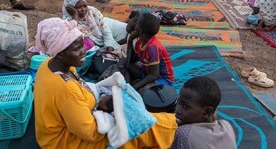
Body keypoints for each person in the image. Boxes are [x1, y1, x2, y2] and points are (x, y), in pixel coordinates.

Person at [34, 18, 177, 149]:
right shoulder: (65, 90)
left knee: (148, 120)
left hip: (54, 133)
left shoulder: (48, 65)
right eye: (77, 49)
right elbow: (90, 132)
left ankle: (174, 125)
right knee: (143, 130)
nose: (84, 51)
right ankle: (177, 131)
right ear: (60, 53)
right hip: (65, 143)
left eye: (82, 45)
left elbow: (78, 93)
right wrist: (115, 116)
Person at [171, 76, 237, 149]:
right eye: (178, 102)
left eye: (185, 106)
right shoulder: (226, 126)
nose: (177, 110)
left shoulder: (184, 133)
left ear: (206, 112)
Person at [62, 0, 126, 52]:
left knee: (126, 35)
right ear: (70, 9)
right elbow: (74, 37)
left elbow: (105, 30)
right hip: (98, 40)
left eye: (84, 6)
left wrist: (109, 46)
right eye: (78, 7)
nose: (83, 10)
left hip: (108, 26)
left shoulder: (91, 11)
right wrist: (75, 15)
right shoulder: (67, 22)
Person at [128, 13, 174, 91]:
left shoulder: (153, 47)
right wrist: (130, 40)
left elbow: (154, 75)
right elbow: (131, 60)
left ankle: (137, 85)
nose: (134, 25)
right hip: (147, 72)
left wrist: (135, 87)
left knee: (144, 90)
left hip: (163, 79)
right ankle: (138, 83)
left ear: (140, 31)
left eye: (137, 24)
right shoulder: (140, 41)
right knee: (126, 65)